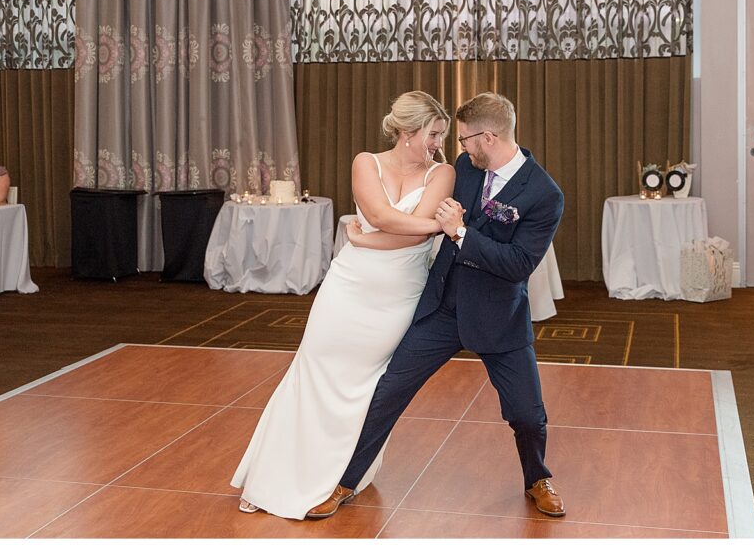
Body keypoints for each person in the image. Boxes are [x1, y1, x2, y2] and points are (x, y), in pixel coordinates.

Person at [307, 92, 567, 520]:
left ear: (488, 137)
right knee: (388, 393)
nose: (457, 147)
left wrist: (461, 233)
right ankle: (345, 481)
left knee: (526, 413)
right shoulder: (464, 167)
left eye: (464, 139)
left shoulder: (543, 193)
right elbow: (420, 210)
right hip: (443, 308)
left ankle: (536, 477)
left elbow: (519, 265)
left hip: (499, 317)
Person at [231, 91, 456, 519]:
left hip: (398, 296)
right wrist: (437, 226)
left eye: (440, 134)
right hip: (348, 288)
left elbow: (413, 235)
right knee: (312, 373)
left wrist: (366, 237)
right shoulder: (365, 162)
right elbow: (388, 218)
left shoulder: (441, 173)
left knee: (364, 386)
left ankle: (342, 476)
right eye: (432, 133)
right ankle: (271, 478)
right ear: (407, 132)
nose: (438, 142)